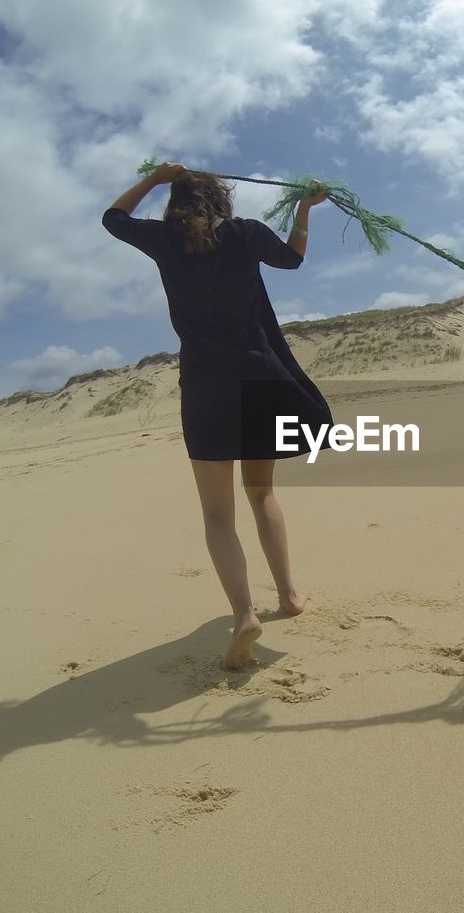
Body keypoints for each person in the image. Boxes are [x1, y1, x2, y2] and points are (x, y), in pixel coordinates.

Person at [103, 162, 332, 669]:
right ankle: (290, 596)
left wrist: (153, 179)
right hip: (260, 377)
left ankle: (244, 613)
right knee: (262, 493)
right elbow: (294, 259)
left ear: (175, 203)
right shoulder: (246, 234)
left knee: (216, 513)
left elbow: (113, 219)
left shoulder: (164, 239)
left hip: (207, 387)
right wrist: (302, 210)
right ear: (221, 202)